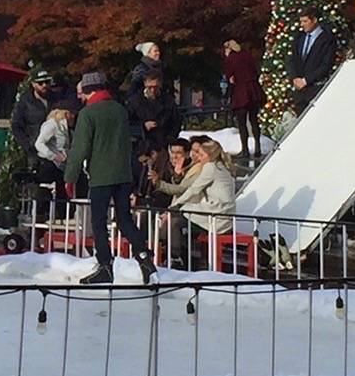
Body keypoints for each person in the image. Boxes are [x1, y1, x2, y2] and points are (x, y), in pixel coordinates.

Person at [63, 71, 156, 285]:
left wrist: (70, 177)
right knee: (125, 220)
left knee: (98, 222)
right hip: (123, 175)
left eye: (82, 93)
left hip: (101, 176)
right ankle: (145, 260)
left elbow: (80, 148)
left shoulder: (88, 114)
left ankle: (105, 266)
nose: (80, 97)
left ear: (89, 91)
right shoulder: (120, 110)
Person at [163, 139, 237, 267]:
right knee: (181, 219)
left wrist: (174, 206)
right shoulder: (222, 167)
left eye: (201, 155)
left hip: (217, 216)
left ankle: (175, 257)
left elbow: (194, 189)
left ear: (210, 156)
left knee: (174, 220)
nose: (199, 158)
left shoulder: (210, 167)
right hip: (225, 215)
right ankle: (180, 256)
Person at [288, 6, 337, 115]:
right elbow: (292, 59)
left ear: (314, 20)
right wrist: (295, 78)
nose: (302, 25)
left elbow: (326, 65)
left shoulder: (327, 39)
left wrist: (306, 81)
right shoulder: (299, 37)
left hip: (316, 89)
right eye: (301, 21)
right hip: (299, 93)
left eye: (305, 21)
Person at [223, 40, 265, 158]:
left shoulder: (230, 58)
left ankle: (245, 150)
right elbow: (256, 71)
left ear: (228, 48)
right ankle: (258, 147)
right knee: (254, 120)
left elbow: (229, 76)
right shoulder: (247, 55)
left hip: (240, 92)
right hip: (253, 91)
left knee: (242, 123)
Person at [126, 70, 180, 155]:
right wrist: (143, 126)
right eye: (150, 87)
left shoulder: (168, 101)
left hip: (162, 146)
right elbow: (127, 123)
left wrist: (169, 139)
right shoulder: (134, 101)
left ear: (160, 84)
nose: (153, 90)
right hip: (141, 147)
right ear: (145, 83)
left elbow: (176, 122)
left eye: (155, 87)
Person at [34, 107, 73, 200]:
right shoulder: (52, 125)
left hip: (61, 166)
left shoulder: (67, 129)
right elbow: (39, 144)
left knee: (62, 193)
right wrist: (54, 156)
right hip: (49, 164)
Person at [12, 69, 53, 157]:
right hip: (35, 151)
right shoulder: (26, 101)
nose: (44, 85)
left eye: (47, 82)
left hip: (55, 150)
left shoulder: (56, 98)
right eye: (40, 83)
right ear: (33, 84)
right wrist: (27, 145)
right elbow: (16, 126)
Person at [147, 137, 198, 207]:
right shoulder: (166, 166)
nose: (174, 156)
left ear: (187, 154)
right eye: (172, 152)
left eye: (178, 153)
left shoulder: (194, 169)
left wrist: (177, 176)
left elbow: (181, 189)